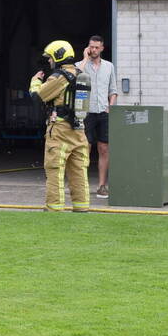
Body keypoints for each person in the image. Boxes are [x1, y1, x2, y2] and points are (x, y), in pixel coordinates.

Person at [30, 40, 90, 212]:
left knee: (54, 168)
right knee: (78, 171)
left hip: (60, 130)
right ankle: (81, 207)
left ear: (58, 56)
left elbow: (38, 97)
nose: (49, 62)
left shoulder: (59, 77)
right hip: (79, 130)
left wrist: (35, 82)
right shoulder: (80, 74)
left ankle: (54, 207)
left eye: (50, 58)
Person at [75, 35, 118, 199]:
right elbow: (75, 77)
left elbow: (113, 89)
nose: (93, 50)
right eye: (90, 47)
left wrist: (110, 107)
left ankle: (102, 186)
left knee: (104, 148)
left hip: (103, 112)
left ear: (102, 49)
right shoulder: (80, 65)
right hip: (86, 113)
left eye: (96, 47)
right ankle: (82, 185)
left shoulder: (109, 66)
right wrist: (84, 59)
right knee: (85, 148)